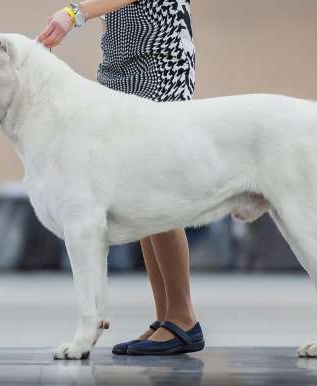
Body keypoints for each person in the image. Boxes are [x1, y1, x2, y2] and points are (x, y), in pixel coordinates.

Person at [37, 0, 203, 355]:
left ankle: (184, 318)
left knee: (157, 193)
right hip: (121, 64)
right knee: (138, 198)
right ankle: (167, 318)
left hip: (159, 63)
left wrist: (74, 13)